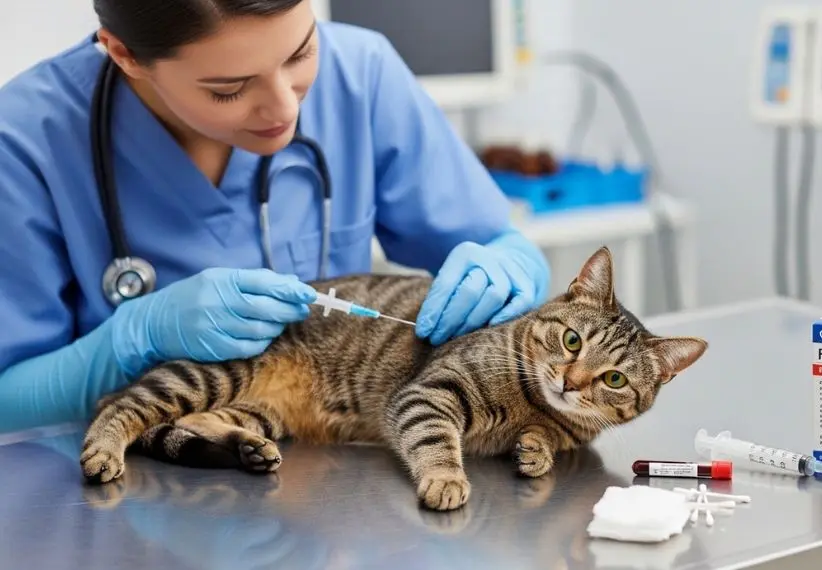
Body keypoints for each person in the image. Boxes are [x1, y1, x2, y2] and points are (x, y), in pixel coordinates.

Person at [0, 0, 549, 433]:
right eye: (228, 90)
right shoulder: (25, 140)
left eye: (300, 54)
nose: (286, 108)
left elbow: (494, 241)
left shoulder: (362, 72)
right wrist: (132, 339)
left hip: (330, 487)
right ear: (124, 56)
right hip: (126, 496)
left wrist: (511, 264)